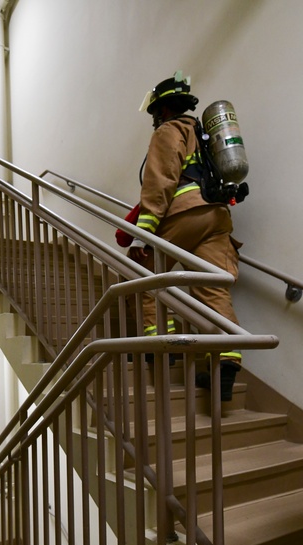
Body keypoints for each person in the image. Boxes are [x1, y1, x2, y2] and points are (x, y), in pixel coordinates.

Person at [125, 71, 244, 400]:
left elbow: (161, 181)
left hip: (185, 213)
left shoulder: (169, 130)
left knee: (142, 274)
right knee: (212, 288)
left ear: (162, 110)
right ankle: (226, 362)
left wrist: (142, 235)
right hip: (216, 216)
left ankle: (161, 345)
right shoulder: (202, 133)